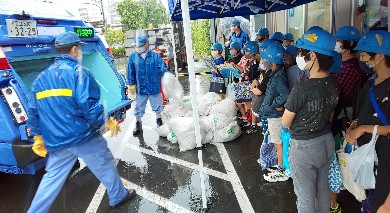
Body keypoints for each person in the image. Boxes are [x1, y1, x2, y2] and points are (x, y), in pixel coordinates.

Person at [26, 32, 136, 213]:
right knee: (105, 164)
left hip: (57, 141)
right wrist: (107, 120)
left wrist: (38, 136)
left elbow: (33, 112)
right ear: (74, 49)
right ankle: (118, 196)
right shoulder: (79, 73)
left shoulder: (41, 79)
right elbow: (88, 106)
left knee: (51, 179)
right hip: (83, 137)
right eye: (80, 48)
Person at [281, 27, 340, 213]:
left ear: (312, 56)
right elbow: (330, 115)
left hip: (304, 147)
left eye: (301, 52)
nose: (299, 56)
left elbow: (285, 121)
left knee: (305, 196)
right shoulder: (333, 84)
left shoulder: (301, 89)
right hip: (326, 142)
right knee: (322, 191)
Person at [346, 30, 390, 213]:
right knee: (369, 195)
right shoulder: (371, 82)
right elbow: (364, 111)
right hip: (369, 156)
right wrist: (355, 125)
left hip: (386, 158)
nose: (361, 59)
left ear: (379, 55)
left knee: (378, 204)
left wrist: (363, 128)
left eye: (364, 55)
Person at [259, 45, 290, 182]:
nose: (262, 61)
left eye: (264, 59)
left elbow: (285, 94)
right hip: (272, 114)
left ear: (271, 61)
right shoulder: (275, 74)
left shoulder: (278, 77)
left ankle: (282, 169)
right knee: (277, 143)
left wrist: (275, 104)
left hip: (275, 116)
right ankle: (280, 165)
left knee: (279, 144)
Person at [128, 35, 169, 135]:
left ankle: (159, 121)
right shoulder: (133, 56)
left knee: (158, 106)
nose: (137, 48)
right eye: (136, 46)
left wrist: (166, 76)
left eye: (140, 45)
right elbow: (130, 72)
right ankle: (138, 124)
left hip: (154, 87)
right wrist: (131, 88)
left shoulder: (155, 56)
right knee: (138, 108)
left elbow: (162, 67)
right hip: (140, 88)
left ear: (146, 44)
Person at [236, 41, 260, 126]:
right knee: (247, 105)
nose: (245, 53)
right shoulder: (251, 62)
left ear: (252, 52)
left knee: (249, 105)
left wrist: (244, 73)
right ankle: (249, 120)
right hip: (250, 86)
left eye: (246, 51)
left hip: (252, 87)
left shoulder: (254, 64)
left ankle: (252, 123)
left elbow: (249, 77)